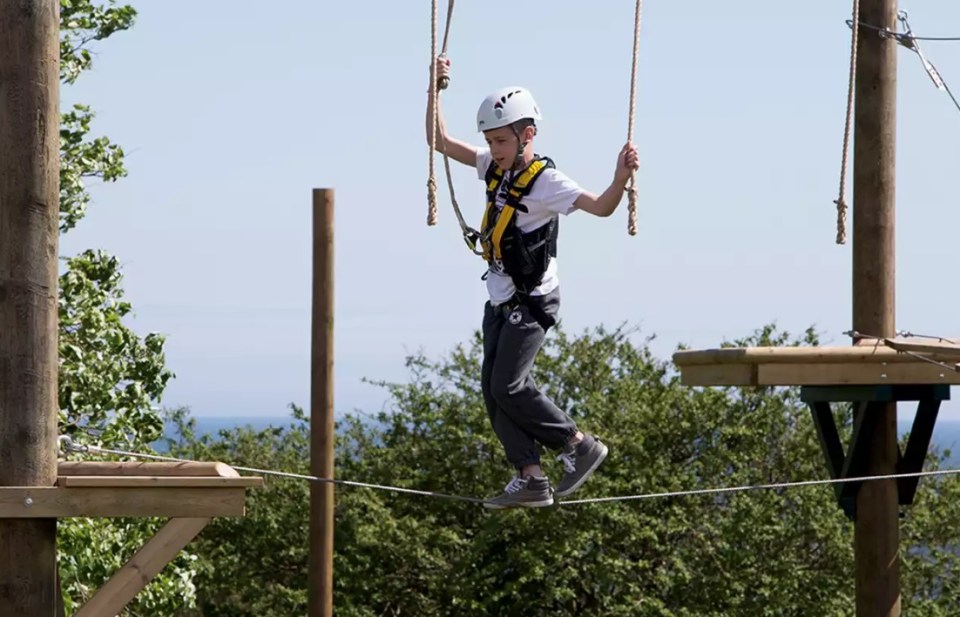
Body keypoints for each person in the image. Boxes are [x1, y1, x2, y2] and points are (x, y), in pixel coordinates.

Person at [425, 55, 639, 509]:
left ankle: (578, 444)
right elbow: (437, 140)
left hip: (534, 302)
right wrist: (434, 88)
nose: (494, 149)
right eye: (490, 141)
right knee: (493, 393)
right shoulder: (492, 170)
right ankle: (531, 477)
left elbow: (601, 207)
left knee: (510, 386)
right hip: (500, 301)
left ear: (528, 135)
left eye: (501, 140)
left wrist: (620, 179)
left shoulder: (548, 183)